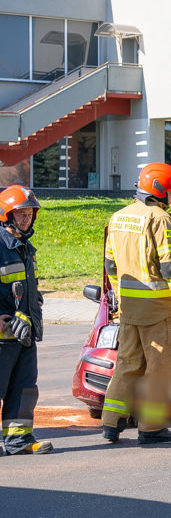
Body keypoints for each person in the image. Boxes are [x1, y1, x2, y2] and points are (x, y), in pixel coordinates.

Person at [102, 163, 171, 444]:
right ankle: (152, 428)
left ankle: (111, 423)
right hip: (157, 311)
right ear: (159, 190)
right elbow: (170, 267)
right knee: (161, 369)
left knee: (127, 364)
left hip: (130, 310)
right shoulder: (161, 219)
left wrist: (120, 299)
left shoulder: (118, 217)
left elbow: (111, 266)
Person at [0, 186, 52, 455]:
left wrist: (35, 298)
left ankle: (18, 441)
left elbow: (22, 284)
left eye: (29, 213)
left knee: (23, 388)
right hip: (2, 335)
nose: (25, 219)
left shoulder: (24, 247)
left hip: (24, 333)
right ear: (6, 214)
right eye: (20, 213)